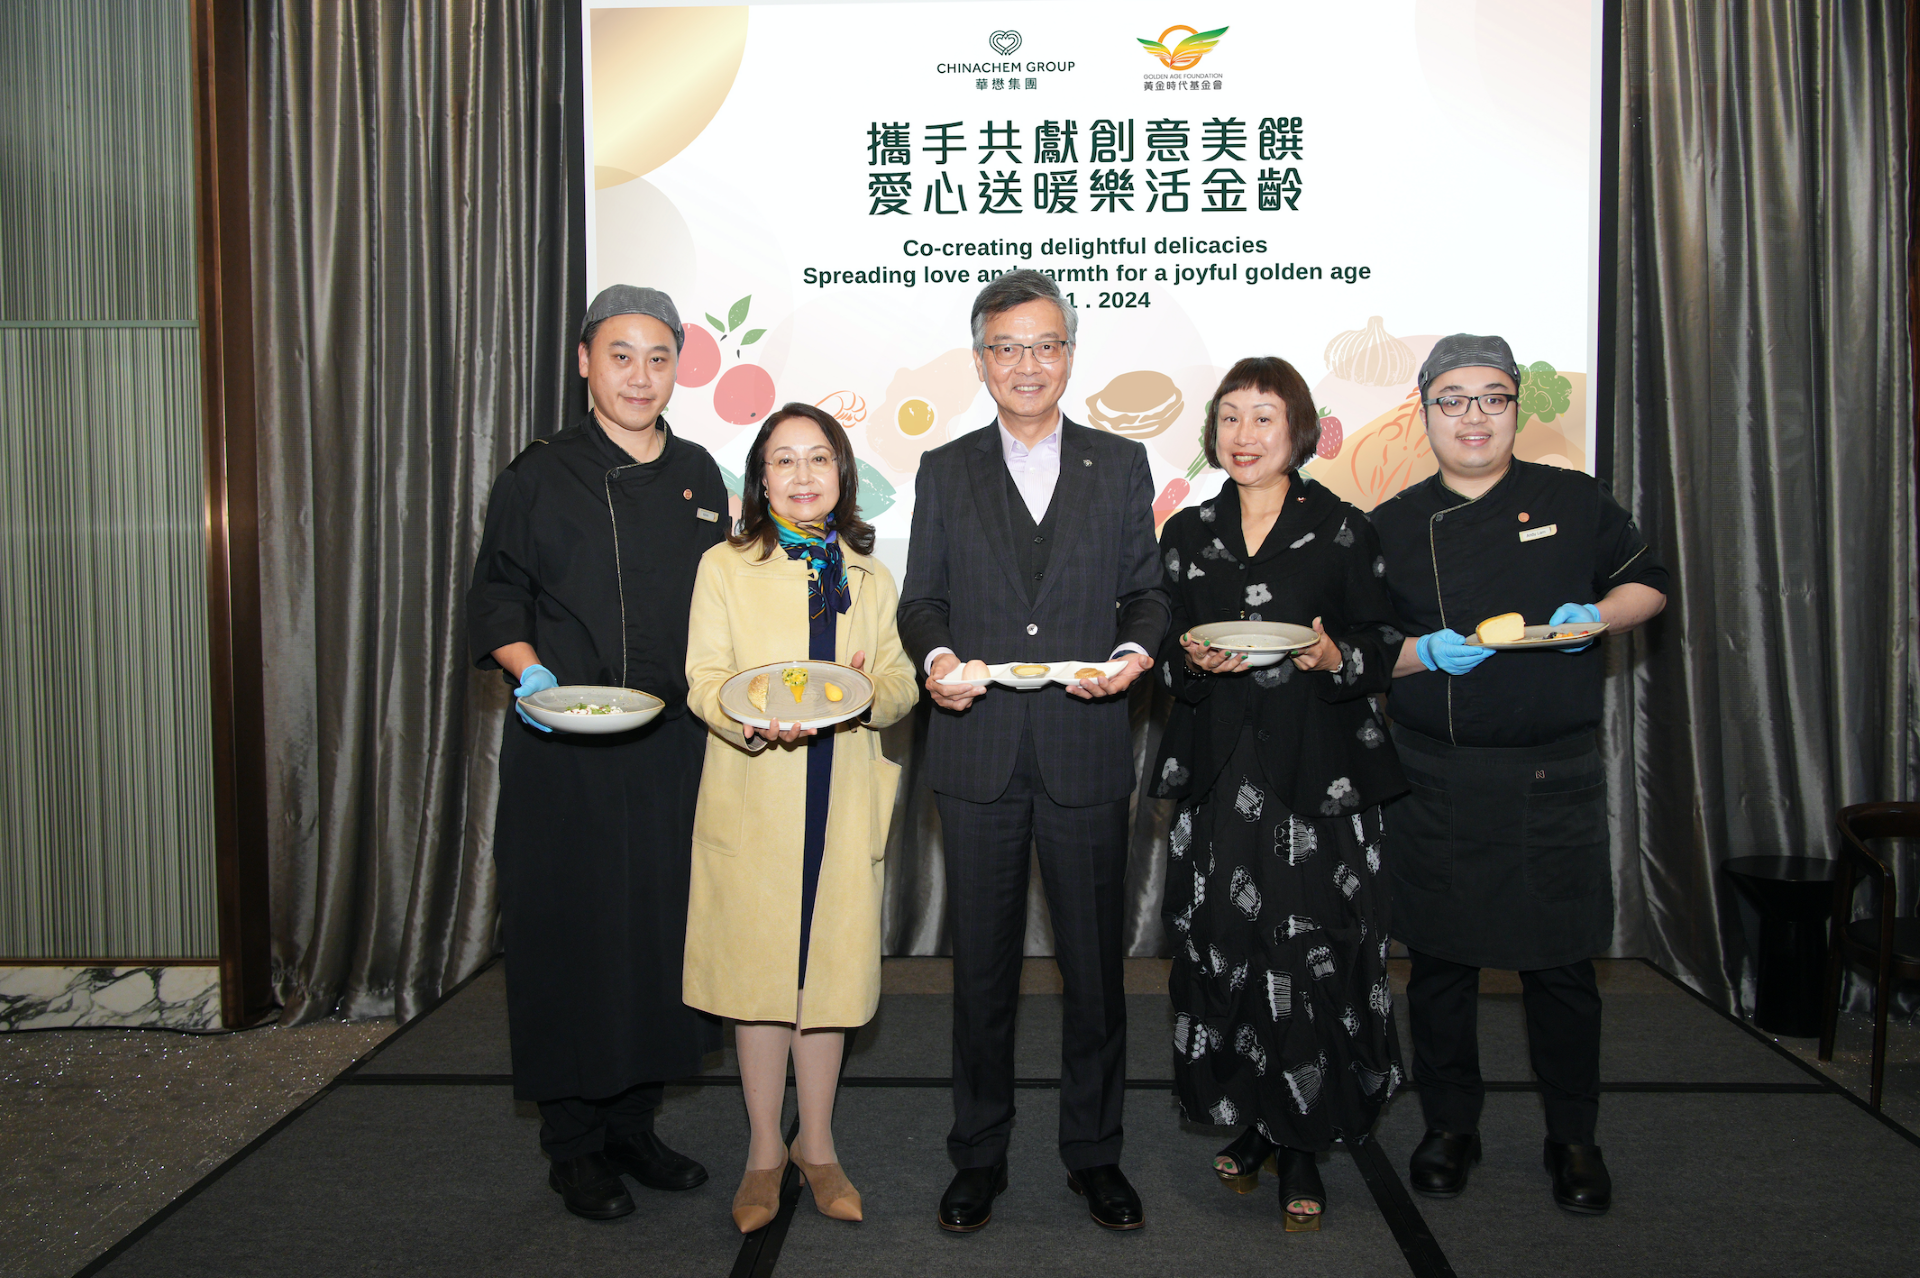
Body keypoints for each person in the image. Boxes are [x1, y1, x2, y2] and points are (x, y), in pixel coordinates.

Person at [1369, 333, 1668, 1215]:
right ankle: (1450, 1124)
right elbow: (1359, 653)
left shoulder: (1572, 500)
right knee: (1440, 968)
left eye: (1492, 398)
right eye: (1453, 398)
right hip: (1435, 774)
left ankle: (1574, 1136)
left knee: (1563, 970)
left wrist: (1600, 618)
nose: (1473, 417)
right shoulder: (1392, 523)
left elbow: (1648, 582)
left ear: (1516, 409)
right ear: (1424, 408)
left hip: (1552, 776)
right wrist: (1423, 655)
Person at [898, 270, 1171, 1233]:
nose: (1027, 364)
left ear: (1069, 355)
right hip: (977, 756)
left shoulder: (1119, 464)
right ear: (980, 361)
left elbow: (1147, 590)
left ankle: (1095, 1155)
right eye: (1006, 347)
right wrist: (935, 658)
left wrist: (1137, 655)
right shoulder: (944, 469)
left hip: (1086, 749)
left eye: (1045, 344)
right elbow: (921, 597)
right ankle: (978, 1155)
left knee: (1097, 972)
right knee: (980, 976)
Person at [467, 285, 728, 1220]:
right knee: (569, 937)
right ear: (585, 361)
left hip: (672, 750)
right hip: (565, 748)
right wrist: (531, 677)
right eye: (621, 355)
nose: (640, 375)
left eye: (658, 357)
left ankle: (634, 1125)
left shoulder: (701, 472)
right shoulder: (537, 474)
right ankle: (572, 1142)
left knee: (659, 938)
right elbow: (499, 595)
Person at [1148, 357, 1408, 1230]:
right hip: (1221, 775)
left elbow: (1381, 640)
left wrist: (1340, 659)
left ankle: (1306, 1138)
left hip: (1317, 775)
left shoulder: (1342, 528)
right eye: (1229, 418)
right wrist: (1189, 660)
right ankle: (1251, 1119)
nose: (1244, 435)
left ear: (1298, 429)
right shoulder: (1186, 534)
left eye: (1264, 418)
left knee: (1313, 956)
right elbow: (1163, 660)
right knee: (1226, 944)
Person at [683, 403, 919, 1233]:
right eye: (783, 461)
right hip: (757, 790)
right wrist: (744, 715)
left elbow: (898, 683)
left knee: (825, 985)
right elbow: (704, 675)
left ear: (842, 473)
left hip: (840, 790)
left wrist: (865, 695)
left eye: (818, 458)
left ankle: (817, 1146)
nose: (803, 475)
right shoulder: (724, 565)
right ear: (760, 479)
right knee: (759, 982)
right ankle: (762, 1153)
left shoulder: (869, 573)